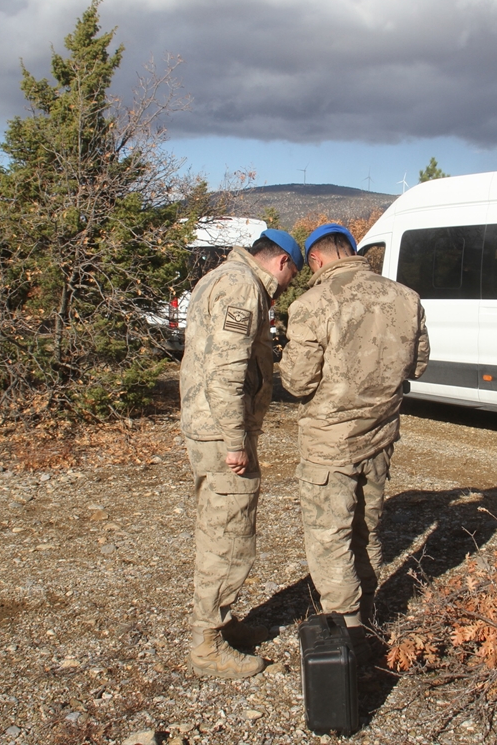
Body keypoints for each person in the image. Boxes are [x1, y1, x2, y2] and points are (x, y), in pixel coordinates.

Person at [279, 223, 429, 658]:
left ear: (319, 259)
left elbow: (298, 382)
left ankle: (348, 638)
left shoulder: (313, 304)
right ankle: (370, 610)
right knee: (367, 531)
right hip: (380, 437)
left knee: (331, 539)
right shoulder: (406, 298)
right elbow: (418, 365)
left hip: (330, 446)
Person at [179, 228, 302, 679]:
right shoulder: (242, 287)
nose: (286, 287)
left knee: (218, 525)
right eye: (291, 277)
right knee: (228, 536)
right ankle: (207, 643)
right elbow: (228, 369)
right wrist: (236, 440)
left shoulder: (220, 276)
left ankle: (221, 623)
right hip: (220, 432)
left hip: (206, 425)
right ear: (283, 262)